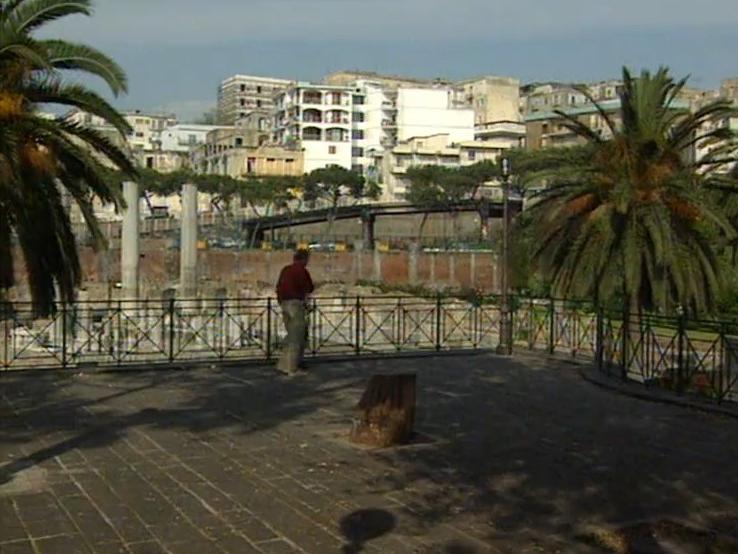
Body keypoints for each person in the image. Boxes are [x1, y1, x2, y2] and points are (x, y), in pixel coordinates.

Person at [275, 249, 314, 374]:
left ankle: (284, 364)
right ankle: (291, 367)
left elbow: (278, 286)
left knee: (291, 334)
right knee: (297, 336)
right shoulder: (302, 271)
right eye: (307, 259)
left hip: (284, 304)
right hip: (295, 304)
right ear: (303, 259)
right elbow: (309, 287)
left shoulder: (285, 269)